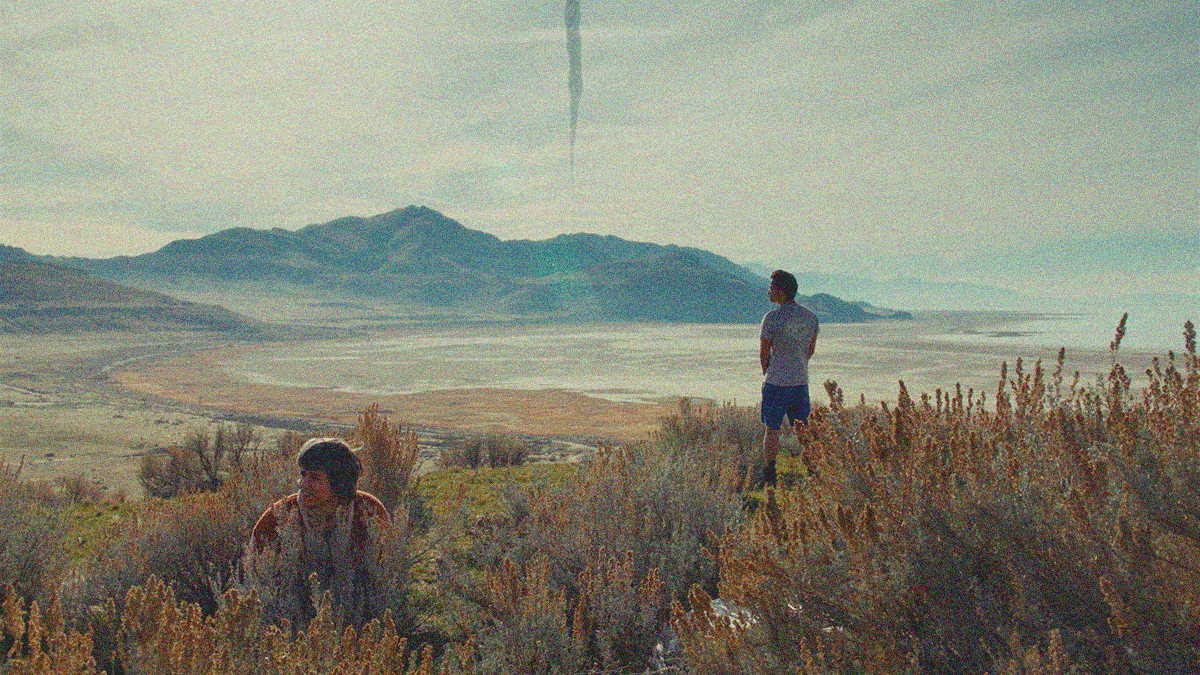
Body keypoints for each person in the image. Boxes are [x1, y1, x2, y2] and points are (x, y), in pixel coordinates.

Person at [250, 437, 391, 577]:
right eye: (303, 474)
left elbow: (388, 567)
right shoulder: (279, 517)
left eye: (315, 477)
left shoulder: (369, 511)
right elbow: (253, 573)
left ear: (338, 481)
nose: (303, 484)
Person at [759, 269, 819, 487]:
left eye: (771, 288)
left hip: (776, 382)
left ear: (781, 290)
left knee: (772, 429)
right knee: (803, 429)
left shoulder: (771, 318)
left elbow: (764, 353)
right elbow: (810, 350)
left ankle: (770, 474)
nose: (768, 292)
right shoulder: (811, 318)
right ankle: (814, 471)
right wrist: (798, 365)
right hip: (800, 381)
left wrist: (769, 371)